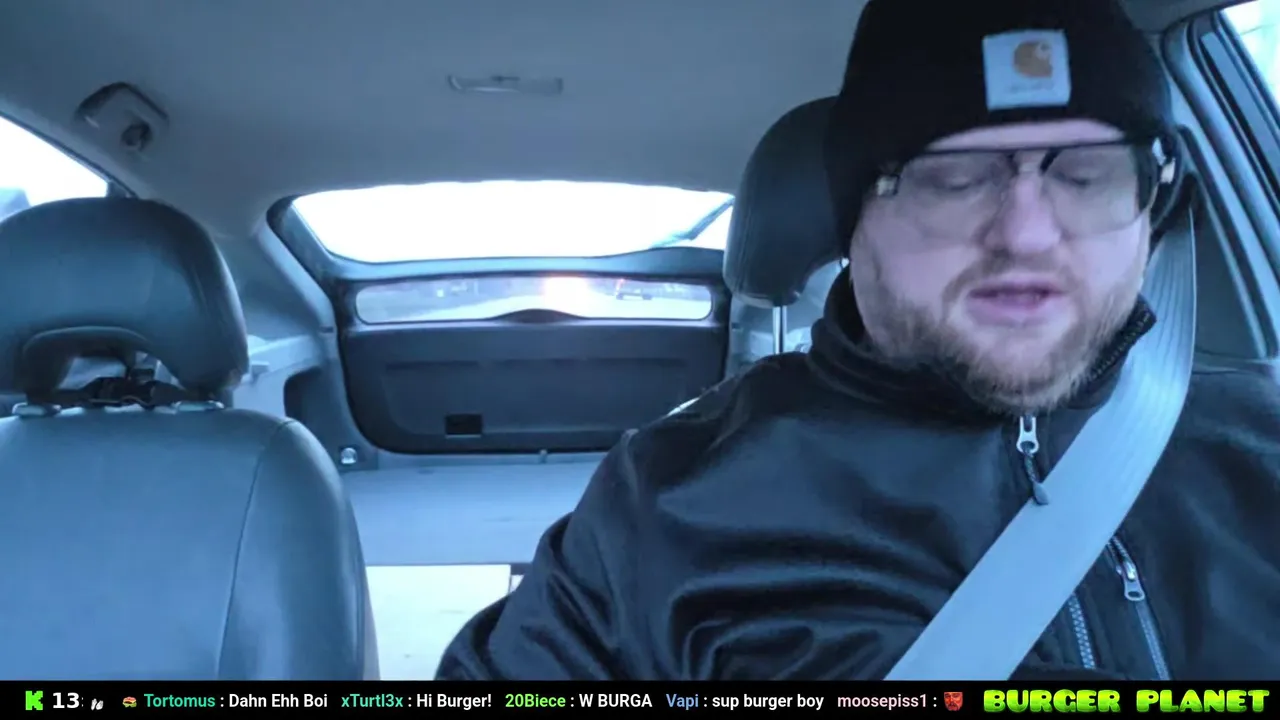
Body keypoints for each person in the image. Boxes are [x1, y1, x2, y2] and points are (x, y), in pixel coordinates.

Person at [437, 0, 1280, 680]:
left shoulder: (1262, 444)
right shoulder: (668, 505)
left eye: (1087, 175)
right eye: (954, 178)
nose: (1026, 233)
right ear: (853, 218)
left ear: (1152, 207)